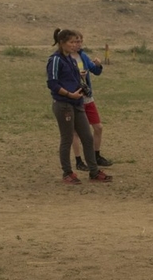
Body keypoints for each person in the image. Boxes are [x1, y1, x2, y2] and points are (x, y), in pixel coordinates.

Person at [46, 28, 112, 184]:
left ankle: (94, 172)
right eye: (71, 42)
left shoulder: (71, 58)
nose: (75, 45)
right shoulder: (55, 60)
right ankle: (67, 173)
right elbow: (52, 84)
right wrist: (70, 94)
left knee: (87, 138)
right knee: (67, 138)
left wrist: (81, 89)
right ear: (62, 43)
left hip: (78, 103)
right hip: (63, 104)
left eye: (76, 42)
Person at [70, 33, 113, 172]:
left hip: (87, 97)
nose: (78, 44)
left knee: (98, 127)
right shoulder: (65, 58)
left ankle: (96, 156)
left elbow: (95, 71)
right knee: (75, 132)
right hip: (74, 98)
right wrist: (77, 74)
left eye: (80, 41)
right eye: (75, 41)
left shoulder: (83, 56)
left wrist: (98, 65)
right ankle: (79, 160)